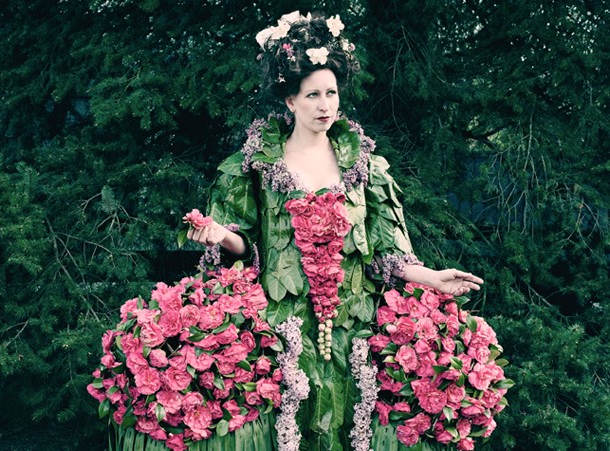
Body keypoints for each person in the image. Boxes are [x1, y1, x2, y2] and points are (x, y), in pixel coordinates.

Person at [184, 11, 483, 451]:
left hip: (353, 328)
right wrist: (219, 236)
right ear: (289, 100)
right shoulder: (255, 167)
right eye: (312, 95)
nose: (325, 105)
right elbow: (244, 243)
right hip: (283, 328)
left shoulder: (367, 168)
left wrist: (433, 278)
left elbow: (388, 253)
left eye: (332, 93)